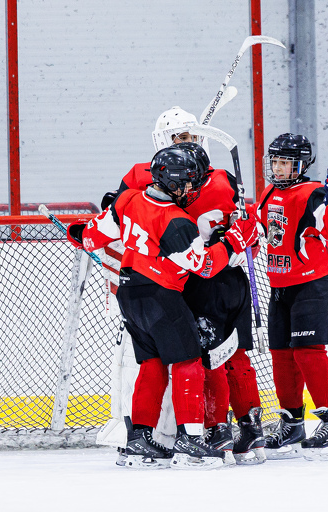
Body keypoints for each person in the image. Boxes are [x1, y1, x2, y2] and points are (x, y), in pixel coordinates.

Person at [68, 143, 258, 470]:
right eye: (188, 182)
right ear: (172, 181)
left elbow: (89, 236)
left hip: (130, 295)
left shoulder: (127, 200)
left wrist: (76, 232)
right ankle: (190, 441)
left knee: (152, 364)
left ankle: (138, 441)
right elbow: (205, 266)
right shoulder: (177, 222)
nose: (193, 189)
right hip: (161, 296)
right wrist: (234, 241)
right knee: (189, 361)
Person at [106, 106, 267, 465]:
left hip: (191, 280)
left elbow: (116, 216)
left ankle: (212, 431)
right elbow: (250, 233)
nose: (188, 143)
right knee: (227, 355)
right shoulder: (223, 178)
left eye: (191, 137)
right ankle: (246, 430)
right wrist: (240, 241)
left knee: (204, 358)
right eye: (181, 138)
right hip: (222, 276)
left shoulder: (147, 177)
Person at [252, 133, 328, 461]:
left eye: (285, 162)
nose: (278, 168)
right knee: (281, 355)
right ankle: (292, 423)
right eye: (275, 161)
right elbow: (258, 231)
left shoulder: (313, 194)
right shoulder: (269, 193)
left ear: (300, 164)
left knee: (308, 353)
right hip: (280, 284)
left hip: (313, 283)